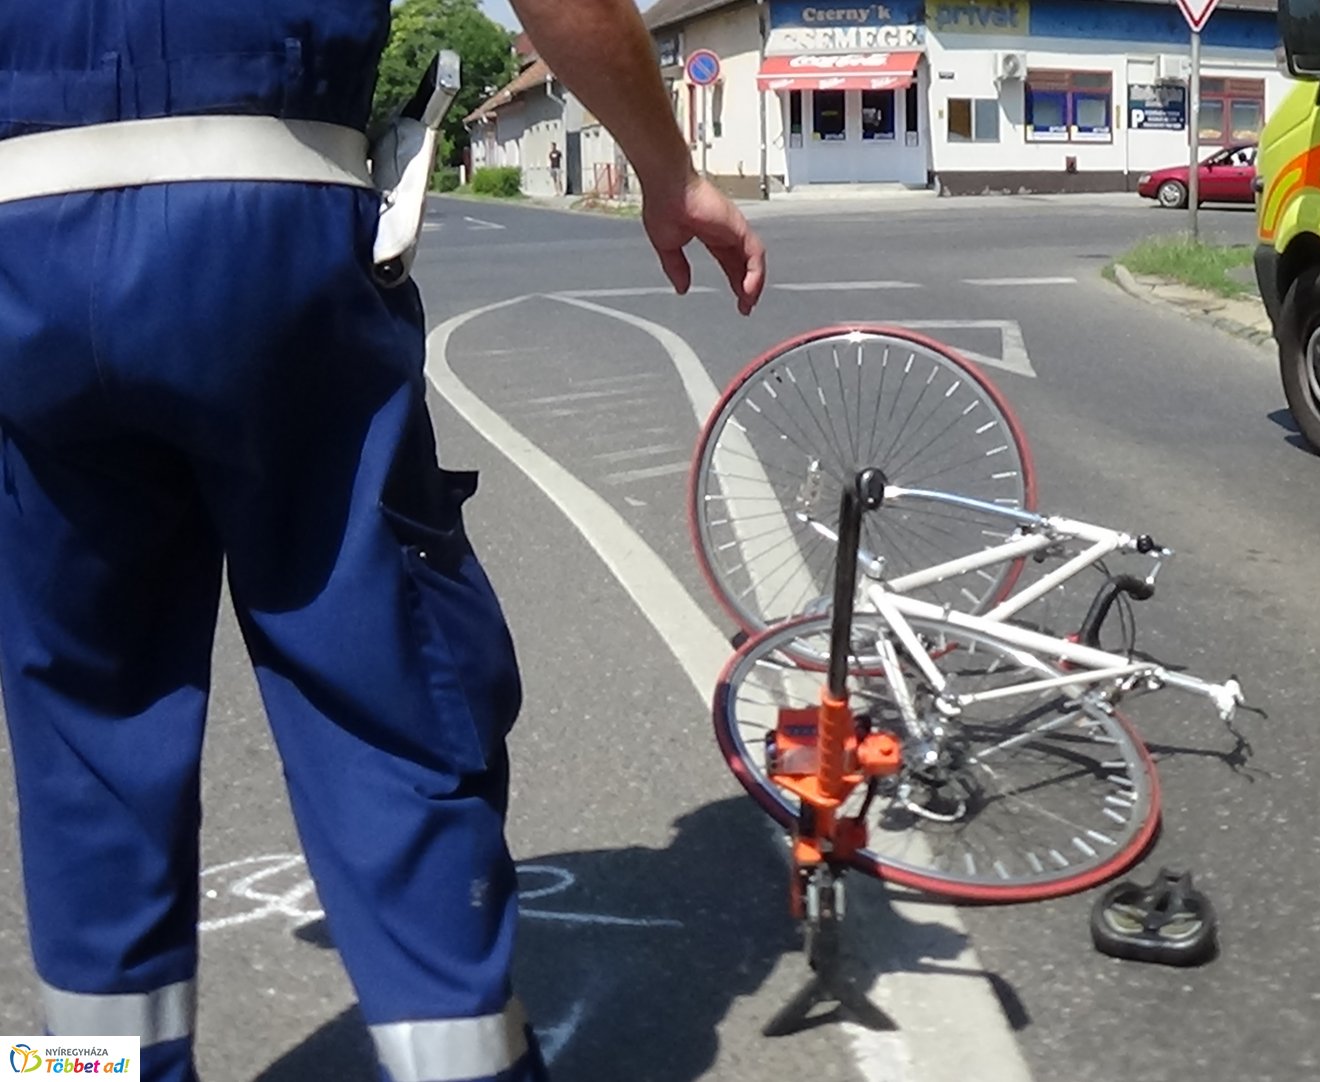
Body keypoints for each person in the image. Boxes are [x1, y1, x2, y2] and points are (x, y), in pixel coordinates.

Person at [0, 2, 763, 1081]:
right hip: (268, 223)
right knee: (381, 691)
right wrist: (667, 167)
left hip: (18, 240)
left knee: (79, 723)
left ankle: (76, 1071)